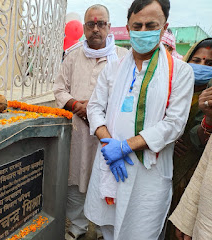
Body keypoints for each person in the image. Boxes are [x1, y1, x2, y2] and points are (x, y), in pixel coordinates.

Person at [83, 0, 194, 239]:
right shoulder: (113, 68)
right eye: (137, 25)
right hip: (111, 163)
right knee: (109, 229)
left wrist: (125, 147)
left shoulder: (181, 72)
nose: (143, 31)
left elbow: (174, 125)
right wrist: (109, 145)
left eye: (150, 25)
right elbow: (94, 108)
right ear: (128, 27)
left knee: (141, 231)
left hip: (148, 176)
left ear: (164, 27)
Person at [53, 4, 128, 240]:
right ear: (84, 27)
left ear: (108, 26)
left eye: (101, 24)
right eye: (91, 24)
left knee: (108, 181)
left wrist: (97, 110)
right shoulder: (73, 57)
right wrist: (77, 106)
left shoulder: (124, 58)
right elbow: (58, 89)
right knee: (76, 181)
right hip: (78, 134)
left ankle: (105, 232)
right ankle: (77, 229)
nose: (96, 29)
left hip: (109, 134)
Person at [165, 38, 212, 239]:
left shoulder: (209, 95)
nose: (201, 67)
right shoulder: (174, 86)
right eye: (197, 60)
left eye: (209, 64)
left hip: (191, 171)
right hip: (164, 163)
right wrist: (168, 138)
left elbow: (199, 138)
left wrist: (208, 117)